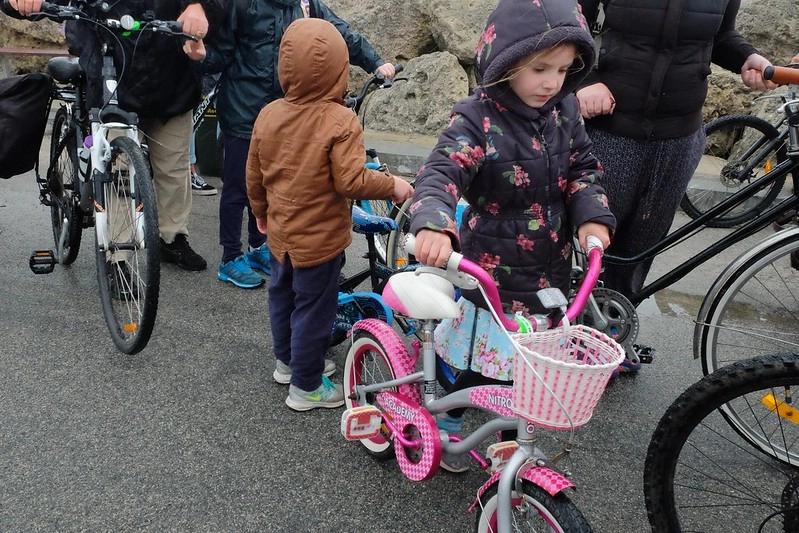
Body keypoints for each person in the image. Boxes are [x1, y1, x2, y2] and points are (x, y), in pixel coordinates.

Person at [408, 0, 615, 471]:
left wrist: (591, 215)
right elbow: (441, 172)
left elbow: (583, 168)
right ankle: (448, 418)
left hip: (549, 271)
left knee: (524, 375)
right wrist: (434, 223)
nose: (553, 82)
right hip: (491, 274)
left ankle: (506, 441)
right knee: (475, 366)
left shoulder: (565, 111)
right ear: (504, 63)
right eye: (540, 68)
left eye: (564, 70)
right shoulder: (477, 118)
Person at [575, 0, 776, 350]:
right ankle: (565, 336)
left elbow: (721, 36)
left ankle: (610, 335)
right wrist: (585, 81)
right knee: (591, 238)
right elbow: (567, 24)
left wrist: (748, 57)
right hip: (608, 129)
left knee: (642, 245)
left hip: (679, 136)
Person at [246, 17, 413, 411]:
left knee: (283, 296)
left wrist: (260, 213)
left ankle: (289, 362)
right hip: (319, 240)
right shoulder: (341, 120)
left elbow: (254, 173)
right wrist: (393, 185)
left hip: (281, 234)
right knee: (314, 308)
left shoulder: (268, 114)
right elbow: (352, 181)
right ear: (340, 70)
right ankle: (306, 386)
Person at [185, 0, 396, 289]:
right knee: (240, 187)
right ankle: (230, 257)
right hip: (244, 111)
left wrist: (374, 62)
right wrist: (202, 55)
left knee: (275, 185)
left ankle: (259, 247)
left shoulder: (307, 4)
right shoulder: (243, 5)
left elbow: (340, 34)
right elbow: (222, 53)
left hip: (291, 114)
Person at [5, 0, 221, 272]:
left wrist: (200, 6)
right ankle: (117, 253)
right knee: (118, 169)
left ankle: (172, 236)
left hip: (171, 76)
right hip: (110, 71)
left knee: (175, 167)